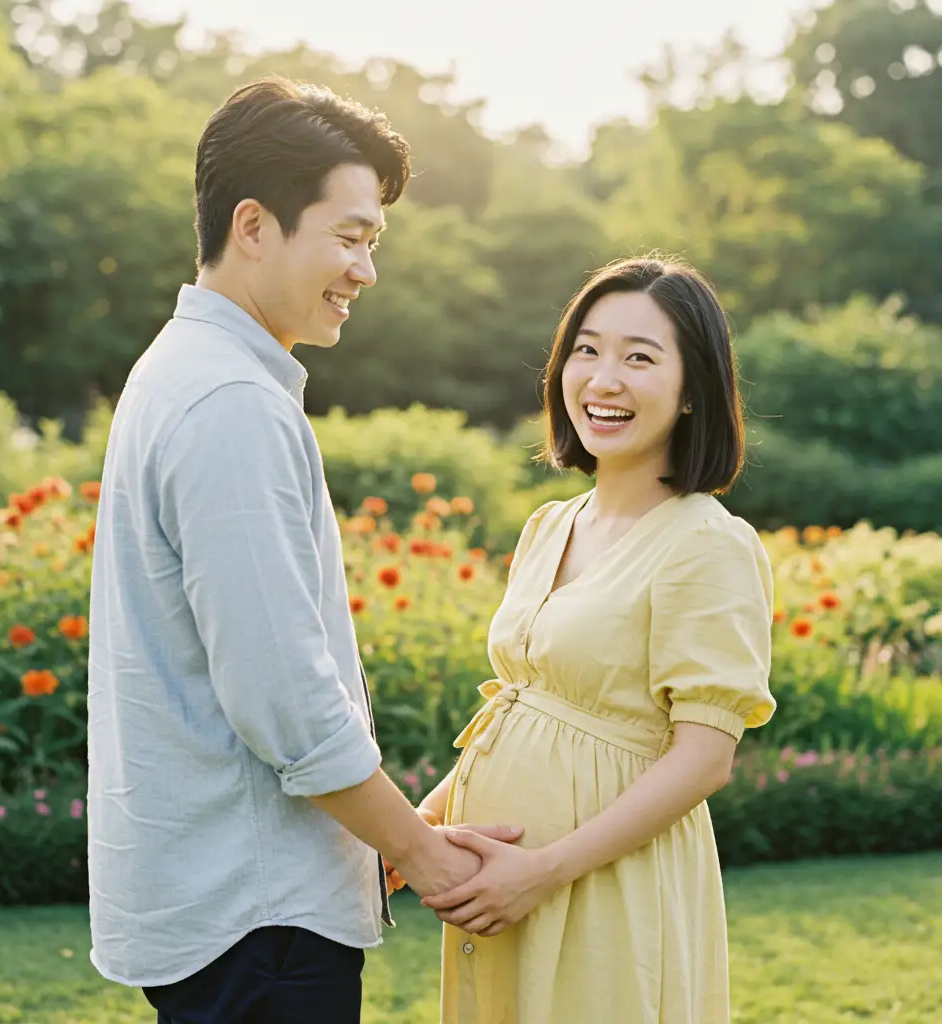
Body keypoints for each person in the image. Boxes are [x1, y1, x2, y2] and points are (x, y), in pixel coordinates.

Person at [86, 75, 521, 1024]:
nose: (366, 269)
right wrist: (422, 851)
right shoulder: (228, 404)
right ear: (253, 225)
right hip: (258, 919)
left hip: (235, 906)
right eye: (351, 236)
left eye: (374, 243)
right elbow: (283, 697)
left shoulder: (187, 372)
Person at [409, 257, 776, 1022]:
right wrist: (418, 828)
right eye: (586, 349)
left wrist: (543, 870)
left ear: (691, 391)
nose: (603, 379)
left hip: (602, 888)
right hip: (503, 890)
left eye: (639, 357)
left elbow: (704, 757)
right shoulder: (550, 525)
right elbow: (523, 706)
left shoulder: (707, 543)